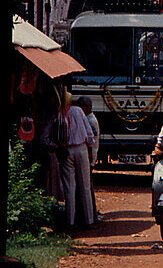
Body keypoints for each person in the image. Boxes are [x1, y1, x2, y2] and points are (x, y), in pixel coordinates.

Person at [41, 91, 95, 228]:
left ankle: (70, 221)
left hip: (66, 150)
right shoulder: (78, 111)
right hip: (81, 148)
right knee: (85, 186)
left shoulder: (57, 113)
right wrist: (90, 148)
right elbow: (89, 133)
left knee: (69, 187)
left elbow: (46, 136)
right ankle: (89, 221)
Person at [75, 96, 101, 223]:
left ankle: (91, 218)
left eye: (82, 107)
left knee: (87, 189)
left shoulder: (90, 121)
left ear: (88, 107)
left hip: (89, 157)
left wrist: (90, 160)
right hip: (89, 157)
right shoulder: (89, 119)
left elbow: (91, 143)